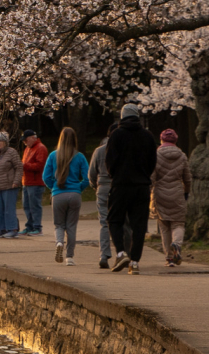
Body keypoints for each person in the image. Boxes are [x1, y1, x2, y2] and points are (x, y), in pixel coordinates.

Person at [105, 104, 158, 274]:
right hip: (141, 186)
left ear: (122, 117)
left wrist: (115, 175)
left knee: (114, 220)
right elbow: (152, 162)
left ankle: (121, 252)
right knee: (139, 225)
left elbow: (110, 161)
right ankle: (135, 261)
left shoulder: (116, 135)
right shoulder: (148, 136)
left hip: (121, 184)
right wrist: (143, 176)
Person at [43, 127, 90, 266]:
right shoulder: (80, 156)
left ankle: (59, 243)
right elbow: (87, 178)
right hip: (74, 194)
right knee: (71, 226)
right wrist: (78, 188)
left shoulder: (53, 156)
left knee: (59, 224)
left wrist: (54, 187)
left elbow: (45, 176)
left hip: (58, 194)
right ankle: (70, 257)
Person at [153, 129, 193, 267]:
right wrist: (186, 192)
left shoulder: (156, 155)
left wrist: (150, 193)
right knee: (178, 223)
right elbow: (188, 179)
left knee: (164, 226)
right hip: (177, 193)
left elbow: (151, 177)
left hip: (160, 193)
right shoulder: (182, 156)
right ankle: (176, 244)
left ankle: (169, 258)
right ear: (175, 141)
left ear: (161, 140)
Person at [88, 131, 114, 267]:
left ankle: (104, 254)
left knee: (104, 223)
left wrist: (95, 185)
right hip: (116, 188)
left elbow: (92, 173)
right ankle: (124, 252)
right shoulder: (120, 150)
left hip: (102, 187)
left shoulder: (98, 152)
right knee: (121, 221)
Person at [20, 130, 49, 236]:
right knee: (26, 205)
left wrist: (24, 165)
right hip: (26, 181)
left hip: (36, 182)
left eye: (26, 140)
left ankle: (37, 227)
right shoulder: (27, 149)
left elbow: (40, 165)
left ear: (33, 138)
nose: (25, 142)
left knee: (34, 205)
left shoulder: (41, 148)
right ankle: (30, 226)